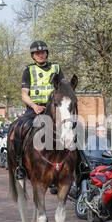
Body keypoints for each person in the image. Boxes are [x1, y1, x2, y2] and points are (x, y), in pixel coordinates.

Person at [13, 40, 65, 180]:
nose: (41, 55)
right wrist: (34, 106)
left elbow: (64, 89)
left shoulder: (56, 68)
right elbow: (24, 93)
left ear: (47, 53)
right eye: (37, 53)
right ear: (33, 56)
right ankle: (19, 165)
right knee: (19, 128)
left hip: (54, 109)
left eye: (43, 52)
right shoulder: (28, 70)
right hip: (35, 109)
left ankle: (80, 165)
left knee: (72, 129)